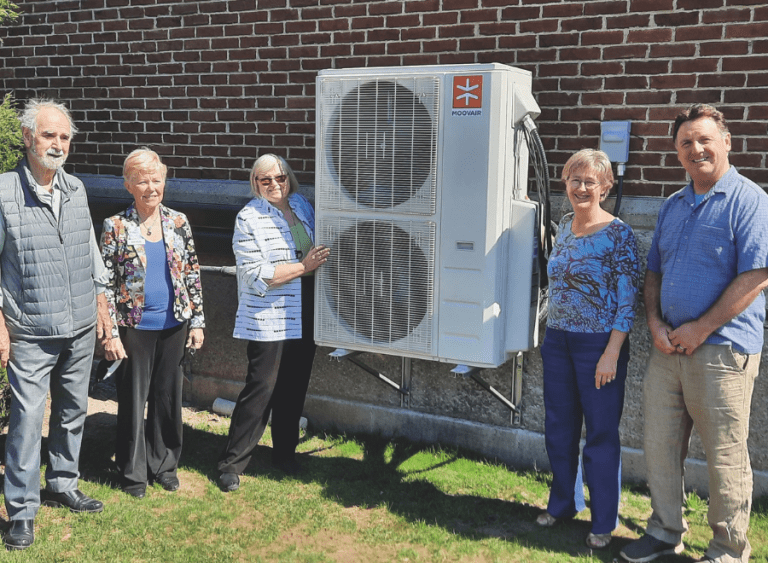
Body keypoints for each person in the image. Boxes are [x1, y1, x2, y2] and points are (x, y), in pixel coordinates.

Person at [620, 105, 768, 563]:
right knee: (660, 445)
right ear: (678, 153)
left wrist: (701, 329)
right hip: (668, 349)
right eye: (686, 143)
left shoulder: (750, 200)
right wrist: (654, 324)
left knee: (725, 454)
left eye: (704, 139)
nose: (696, 149)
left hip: (722, 349)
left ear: (726, 142)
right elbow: (654, 272)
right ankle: (665, 531)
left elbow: (757, 275)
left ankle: (728, 548)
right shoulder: (673, 204)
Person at [0, 99, 112, 550]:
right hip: (30, 329)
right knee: (27, 421)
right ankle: (21, 510)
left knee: (72, 410)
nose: (58, 144)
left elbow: (89, 249)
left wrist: (101, 305)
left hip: (79, 324)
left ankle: (63, 483)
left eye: (65, 137)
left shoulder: (76, 188)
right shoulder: (4, 191)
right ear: (28, 137)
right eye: (49, 135)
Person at [536, 149, 640, 550]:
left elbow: (627, 301)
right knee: (559, 428)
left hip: (598, 345)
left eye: (590, 182)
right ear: (565, 184)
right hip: (557, 341)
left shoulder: (619, 235)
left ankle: (602, 521)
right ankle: (563, 503)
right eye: (574, 180)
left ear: (606, 187)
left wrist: (611, 353)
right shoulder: (564, 226)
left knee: (600, 434)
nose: (581, 188)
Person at [217, 154, 329, 492]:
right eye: (265, 180)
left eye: (280, 177)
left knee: (294, 385)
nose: (274, 185)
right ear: (255, 183)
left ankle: (284, 455)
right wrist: (303, 267)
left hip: (306, 306)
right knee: (261, 387)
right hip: (270, 315)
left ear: (289, 178)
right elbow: (256, 274)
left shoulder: (301, 206)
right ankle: (232, 464)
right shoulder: (248, 218)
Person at [100, 148, 206, 499]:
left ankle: (164, 465)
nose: (150, 187)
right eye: (142, 181)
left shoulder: (178, 221)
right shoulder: (115, 226)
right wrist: (110, 333)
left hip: (174, 323)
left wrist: (197, 321)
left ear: (165, 181)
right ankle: (133, 473)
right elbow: (105, 285)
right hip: (135, 328)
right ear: (128, 185)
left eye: (156, 180)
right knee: (133, 402)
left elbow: (192, 272)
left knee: (167, 398)